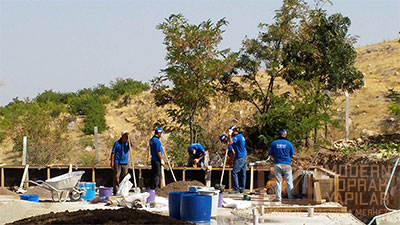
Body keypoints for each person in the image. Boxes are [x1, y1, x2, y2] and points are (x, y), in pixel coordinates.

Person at [268, 129, 295, 202]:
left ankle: (278, 198)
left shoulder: (274, 143)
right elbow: (292, 155)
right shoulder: (289, 144)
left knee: (278, 182)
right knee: (289, 181)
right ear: (285, 135)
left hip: (278, 164)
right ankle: (291, 197)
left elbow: (270, 155)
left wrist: (275, 159)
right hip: (287, 164)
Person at [110, 131, 132, 195]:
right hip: (117, 162)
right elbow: (113, 153)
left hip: (125, 162)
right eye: (125, 136)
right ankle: (116, 190)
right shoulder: (117, 143)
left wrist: (130, 138)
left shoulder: (127, 143)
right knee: (117, 176)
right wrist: (112, 162)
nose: (125, 138)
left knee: (125, 177)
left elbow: (131, 146)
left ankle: (123, 190)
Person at [227, 126, 247, 194]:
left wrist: (229, 135)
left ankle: (236, 189)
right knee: (243, 173)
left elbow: (231, 142)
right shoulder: (241, 136)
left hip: (240, 157)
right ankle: (242, 189)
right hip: (244, 156)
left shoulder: (238, 136)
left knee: (234, 172)